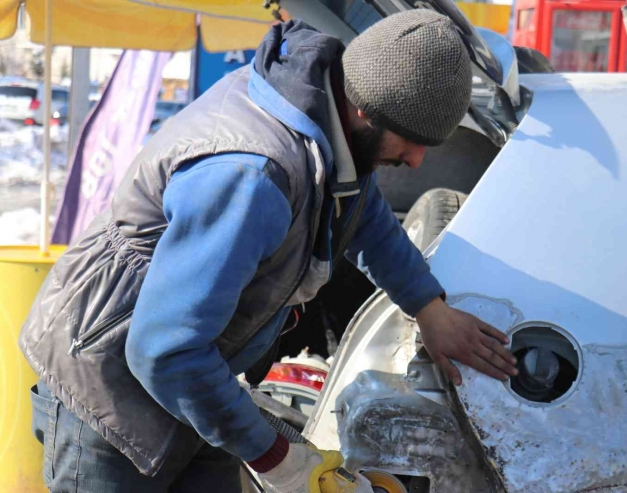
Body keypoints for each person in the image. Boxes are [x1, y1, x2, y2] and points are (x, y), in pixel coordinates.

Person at [19, 10, 518, 493]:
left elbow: (363, 213)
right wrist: (276, 456)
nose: (417, 159)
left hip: (196, 382)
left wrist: (429, 309)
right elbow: (165, 351)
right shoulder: (252, 175)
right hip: (111, 395)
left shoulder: (329, 120)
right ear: (365, 107)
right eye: (410, 140)